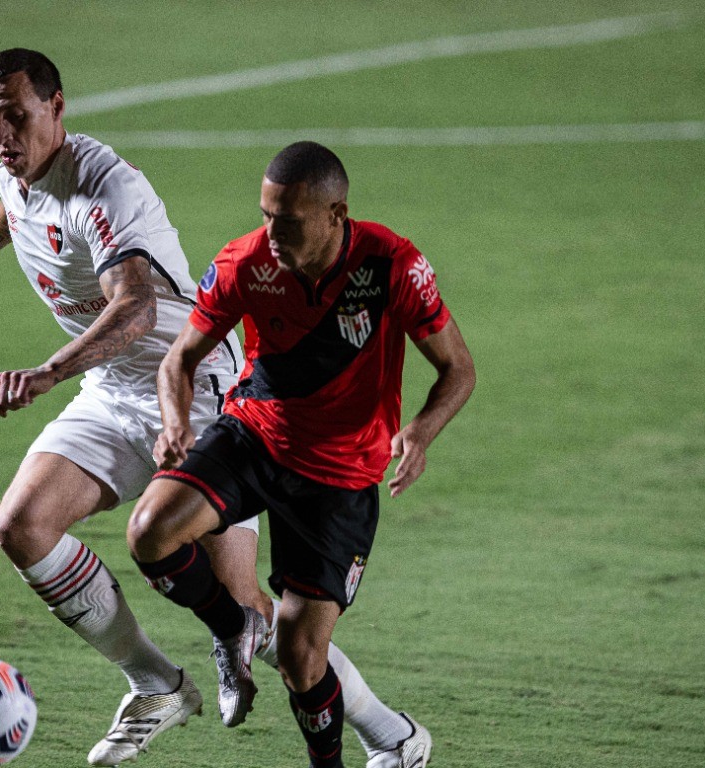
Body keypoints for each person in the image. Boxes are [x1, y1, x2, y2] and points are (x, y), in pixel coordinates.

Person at [0, 51, 424, 767]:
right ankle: (156, 682)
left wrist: (46, 373)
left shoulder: (106, 187)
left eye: (17, 116)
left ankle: (392, 736)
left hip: (196, 392)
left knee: (257, 618)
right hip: (111, 389)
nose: (2, 133)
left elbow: (135, 309)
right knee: (23, 526)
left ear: (58, 109)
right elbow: (19, 204)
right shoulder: (16, 169)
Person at [127, 141, 476, 768]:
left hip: (340, 477)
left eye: (286, 220)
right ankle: (233, 626)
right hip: (255, 435)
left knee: (300, 660)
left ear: (336, 213)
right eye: (265, 214)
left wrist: (420, 431)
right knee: (151, 531)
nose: (271, 232)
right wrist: (176, 421)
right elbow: (180, 357)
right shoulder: (244, 262)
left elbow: (458, 369)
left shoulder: (391, 265)